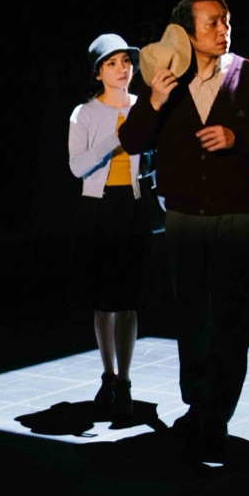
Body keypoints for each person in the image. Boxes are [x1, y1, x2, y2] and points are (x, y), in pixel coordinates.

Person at [118, 0, 249, 461]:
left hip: (235, 216)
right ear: (188, 32)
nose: (222, 29)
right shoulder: (168, 80)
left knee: (230, 316)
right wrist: (154, 97)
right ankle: (197, 405)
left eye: (226, 21)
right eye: (212, 22)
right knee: (192, 316)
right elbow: (132, 139)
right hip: (184, 218)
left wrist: (239, 137)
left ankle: (218, 412)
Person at [69, 34, 156, 426]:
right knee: (103, 300)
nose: (123, 68)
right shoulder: (84, 113)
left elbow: (156, 161)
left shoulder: (144, 108)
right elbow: (77, 166)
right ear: (98, 72)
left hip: (133, 206)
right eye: (112, 63)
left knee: (129, 299)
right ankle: (108, 376)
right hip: (98, 208)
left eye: (126, 61)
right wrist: (116, 138)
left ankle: (125, 381)